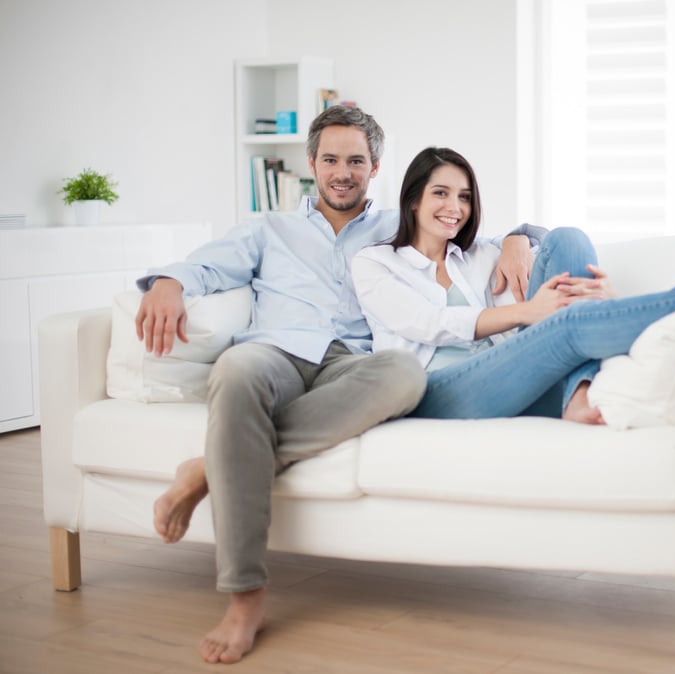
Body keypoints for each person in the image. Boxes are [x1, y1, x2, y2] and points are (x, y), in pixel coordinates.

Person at [137, 108, 539, 665]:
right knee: (234, 372)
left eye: (356, 160)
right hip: (275, 351)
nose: (342, 172)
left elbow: (470, 234)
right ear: (312, 164)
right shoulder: (267, 229)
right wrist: (167, 282)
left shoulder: (397, 227)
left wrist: (521, 237)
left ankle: (209, 467)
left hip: (352, 363)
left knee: (406, 375)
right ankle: (244, 597)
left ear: (375, 167)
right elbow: (204, 268)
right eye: (331, 160)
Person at [351, 147, 675, 423]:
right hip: (437, 392)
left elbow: (551, 248)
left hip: (507, 377)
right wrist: (527, 313)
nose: (454, 207)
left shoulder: (478, 254)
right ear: (412, 199)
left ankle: (575, 394)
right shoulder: (375, 264)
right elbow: (430, 323)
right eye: (440, 193)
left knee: (568, 238)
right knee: (563, 321)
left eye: (464, 196)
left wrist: (521, 237)